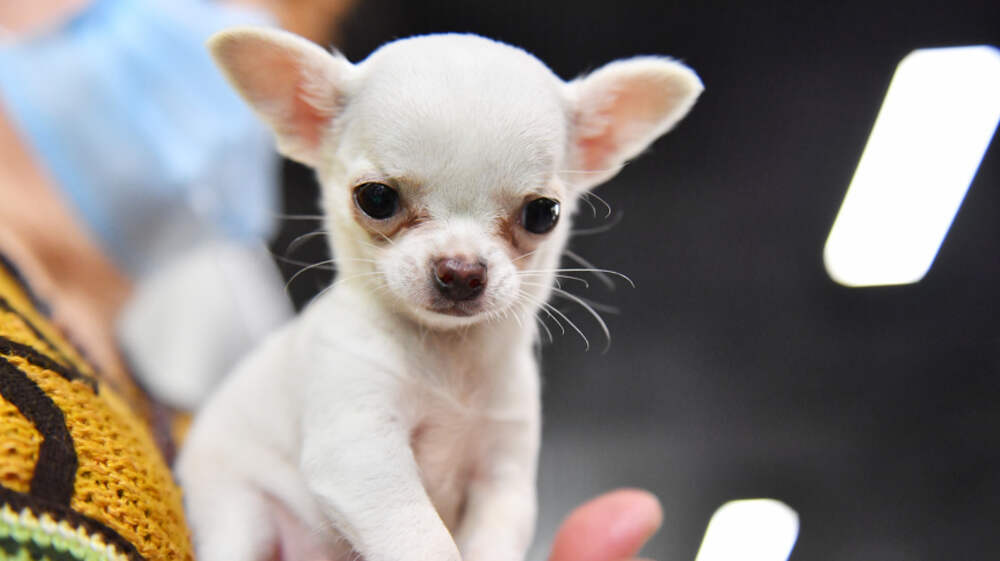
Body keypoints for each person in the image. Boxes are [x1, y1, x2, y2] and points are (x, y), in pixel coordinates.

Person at [0, 2, 664, 560]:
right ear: (305, 113)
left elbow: (503, 490)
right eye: (383, 201)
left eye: (533, 215)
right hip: (259, 501)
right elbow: (355, 467)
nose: (461, 266)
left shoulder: (203, 331)